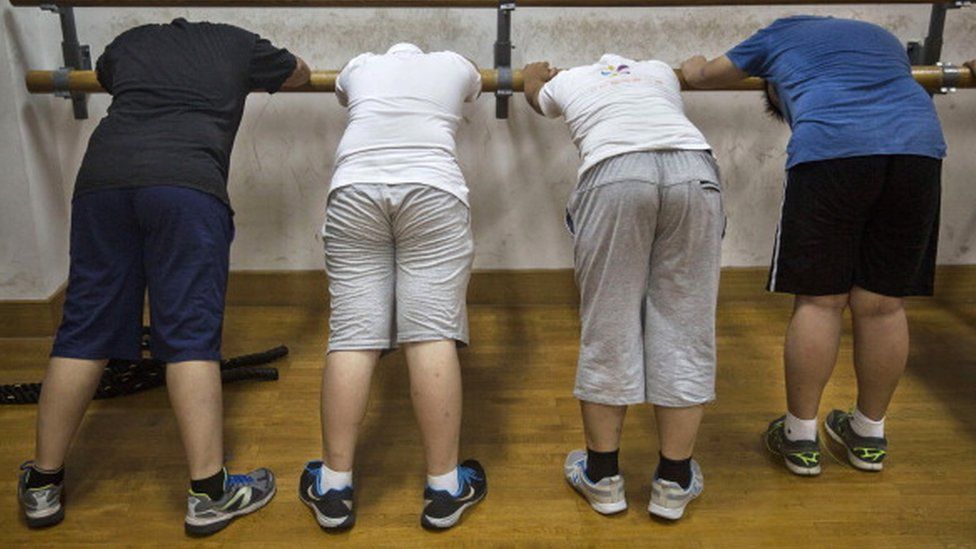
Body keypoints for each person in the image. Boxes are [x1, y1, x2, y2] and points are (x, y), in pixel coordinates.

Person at [17, 18, 309, 535]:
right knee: (190, 338)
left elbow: (107, 77)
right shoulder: (240, 43)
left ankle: (42, 483)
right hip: (185, 186)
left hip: (103, 183)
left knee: (82, 332)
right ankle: (209, 494)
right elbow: (300, 75)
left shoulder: (131, 41)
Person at [681, 16, 946, 476]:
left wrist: (690, 63)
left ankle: (799, 438)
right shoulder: (882, 37)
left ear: (772, 89)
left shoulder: (776, 35)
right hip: (917, 149)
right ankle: (868, 433)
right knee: (883, 303)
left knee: (821, 301)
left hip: (833, 149)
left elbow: (703, 75)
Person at [521, 54, 725, 521]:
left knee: (609, 324)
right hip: (693, 170)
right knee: (685, 325)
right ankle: (673, 483)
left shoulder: (569, 79)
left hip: (614, 173)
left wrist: (533, 76)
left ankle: (603, 477)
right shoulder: (657, 71)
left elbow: (538, 98)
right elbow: (691, 69)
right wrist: (691, 63)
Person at [298, 43, 486, 532]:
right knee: (430, 335)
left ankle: (333, 485)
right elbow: (474, 90)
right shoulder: (453, 63)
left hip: (355, 188)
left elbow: (343, 95)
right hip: (432, 188)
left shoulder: (360, 64)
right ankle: (445, 489)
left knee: (353, 336)